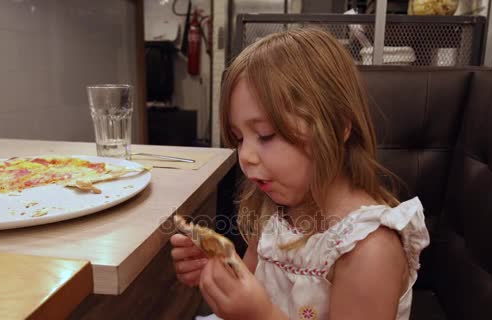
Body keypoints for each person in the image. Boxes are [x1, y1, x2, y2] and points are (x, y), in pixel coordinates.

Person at [170, 27, 430, 320]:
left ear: (338, 126)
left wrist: (262, 315)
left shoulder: (369, 247)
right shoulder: (273, 210)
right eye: (239, 138)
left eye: (266, 135)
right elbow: (249, 284)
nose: (245, 156)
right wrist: (219, 274)